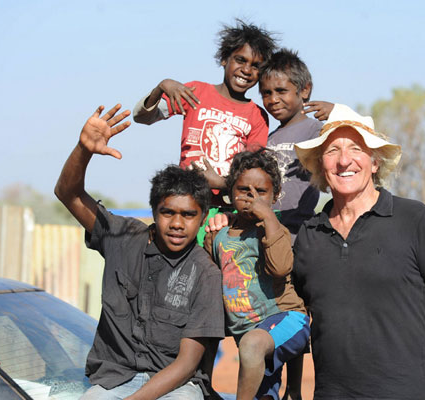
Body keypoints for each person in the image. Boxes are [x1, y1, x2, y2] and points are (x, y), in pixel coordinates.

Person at [292, 104, 425, 399]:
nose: (344, 160)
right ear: (320, 165)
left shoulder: (414, 219)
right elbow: (296, 316)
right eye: (332, 150)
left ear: (375, 162)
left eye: (356, 148)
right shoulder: (309, 235)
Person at [54, 104, 225, 400]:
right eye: (167, 212)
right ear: (154, 212)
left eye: (188, 215)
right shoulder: (124, 237)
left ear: (202, 217)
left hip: (177, 387)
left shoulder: (206, 273)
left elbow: (186, 365)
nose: (176, 224)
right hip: (114, 381)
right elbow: (68, 194)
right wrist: (84, 150)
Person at [133, 19, 277, 245]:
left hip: (226, 214)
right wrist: (162, 86)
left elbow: (252, 175)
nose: (246, 70)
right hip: (185, 205)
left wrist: (220, 182)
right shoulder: (196, 92)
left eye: (255, 65)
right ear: (224, 59)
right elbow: (143, 117)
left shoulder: (257, 116)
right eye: (240, 60)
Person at [203, 149, 310, 400]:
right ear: (231, 193)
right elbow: (210, 282)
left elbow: (281, 268)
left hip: (286, 321)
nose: (252, 197)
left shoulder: (274, 230)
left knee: (251, 345)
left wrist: (269, 218)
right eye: (243, 190)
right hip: (250, 337)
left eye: (261, 192)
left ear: (275, 197)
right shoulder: (217, 235)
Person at [258, 48, 334, 242]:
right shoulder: (267, 138)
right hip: (265, 232)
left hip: (297, 235)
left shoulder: (316, 131)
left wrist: (337, 113)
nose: (273, 99)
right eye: (266, 93)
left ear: (305, 90)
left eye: (281, 91)